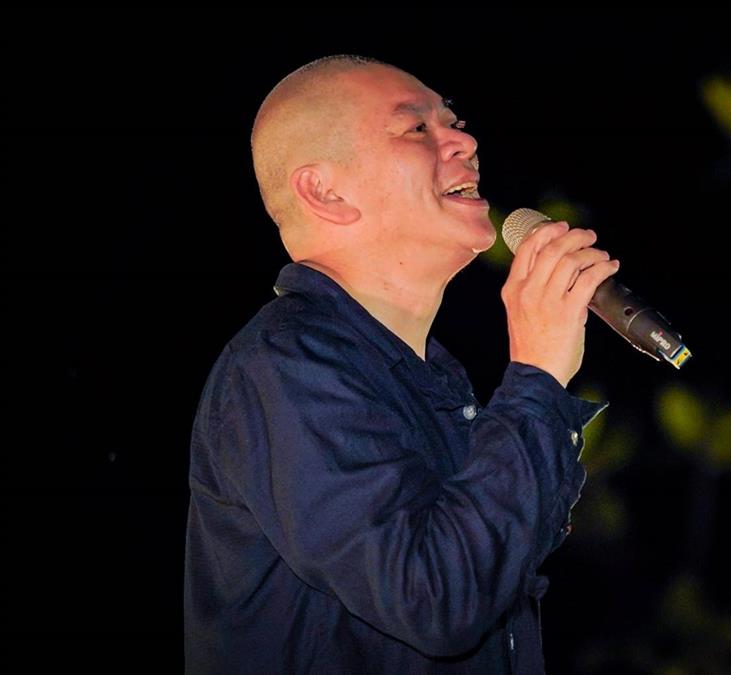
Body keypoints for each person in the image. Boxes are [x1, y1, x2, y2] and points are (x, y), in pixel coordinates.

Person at [184, 54, 621, 673]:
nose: (465, 141)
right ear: (325, 191)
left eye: (455, 123)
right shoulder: (285, 363)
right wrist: (537, 377)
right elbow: (436, 598)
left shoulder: (431, 379)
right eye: (417, 128)